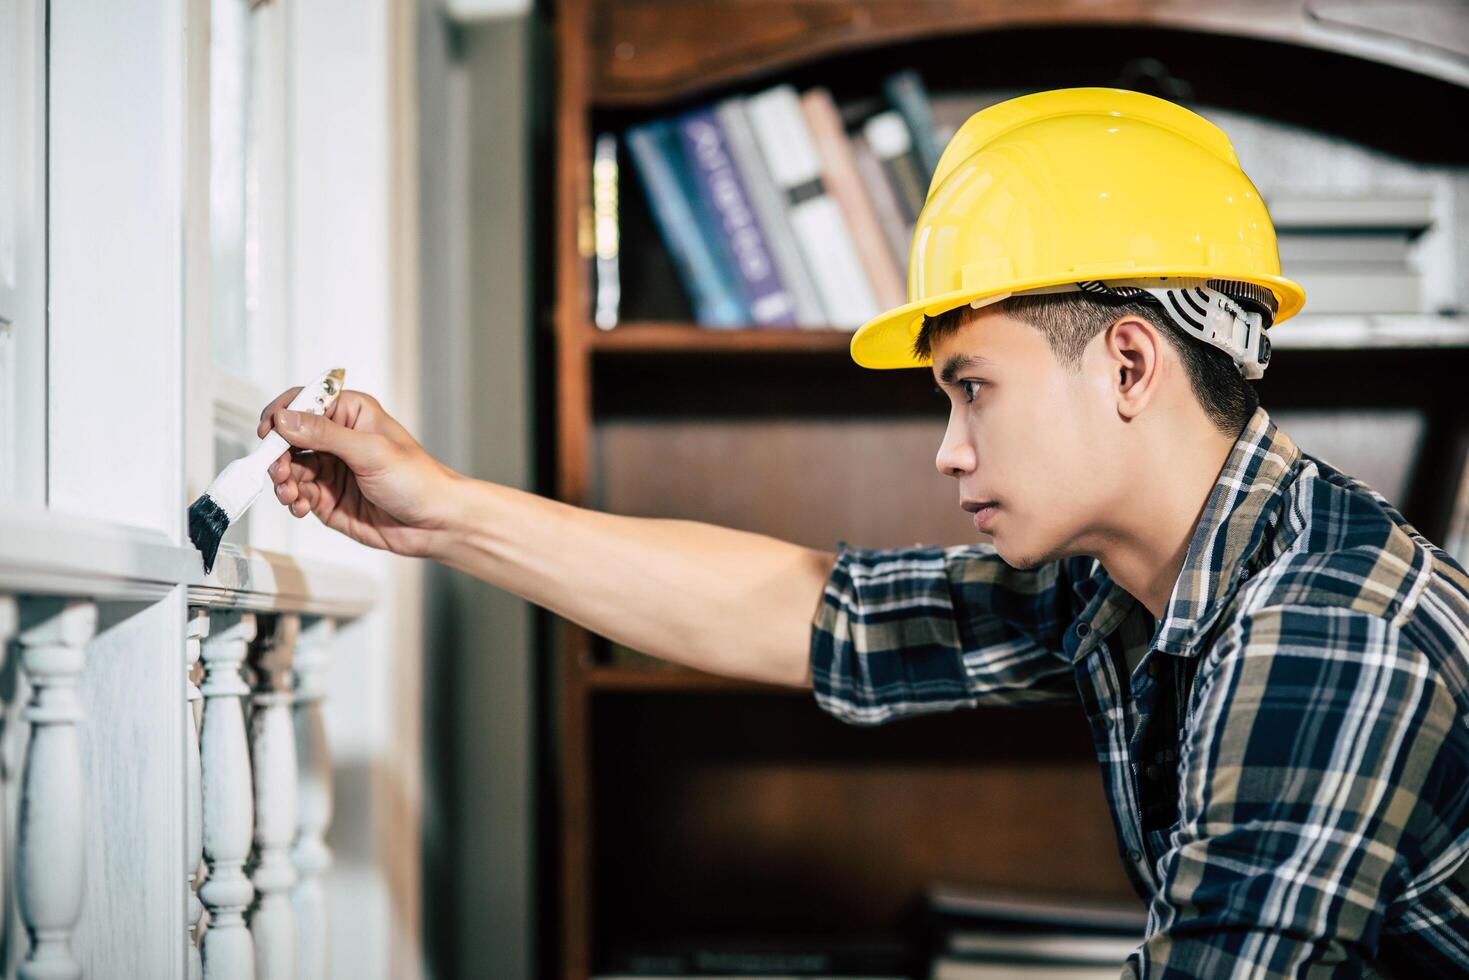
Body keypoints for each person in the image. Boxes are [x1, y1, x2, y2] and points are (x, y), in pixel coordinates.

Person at [256, 89, 1469, 977]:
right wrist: (442, 508)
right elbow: (805, 610)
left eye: (971, 387)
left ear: (1129, 363)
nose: (946, 448)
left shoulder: (1321, 630)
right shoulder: (1128, 585)